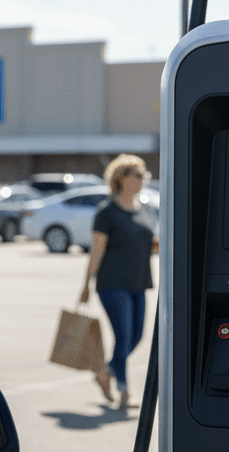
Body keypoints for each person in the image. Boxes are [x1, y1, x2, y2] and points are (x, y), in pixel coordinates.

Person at [80, 154, 158, 410]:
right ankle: (124, 392)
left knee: (137, 337)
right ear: (121, 179)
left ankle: (106, 372)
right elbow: (97, 251)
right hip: (113, 283)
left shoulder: (144, 208)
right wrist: (85, 285)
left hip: (139, 281)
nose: (141, 180)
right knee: (123, 338)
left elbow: (147, 244)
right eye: (136, 175)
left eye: (143, 175)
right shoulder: (107, 212)